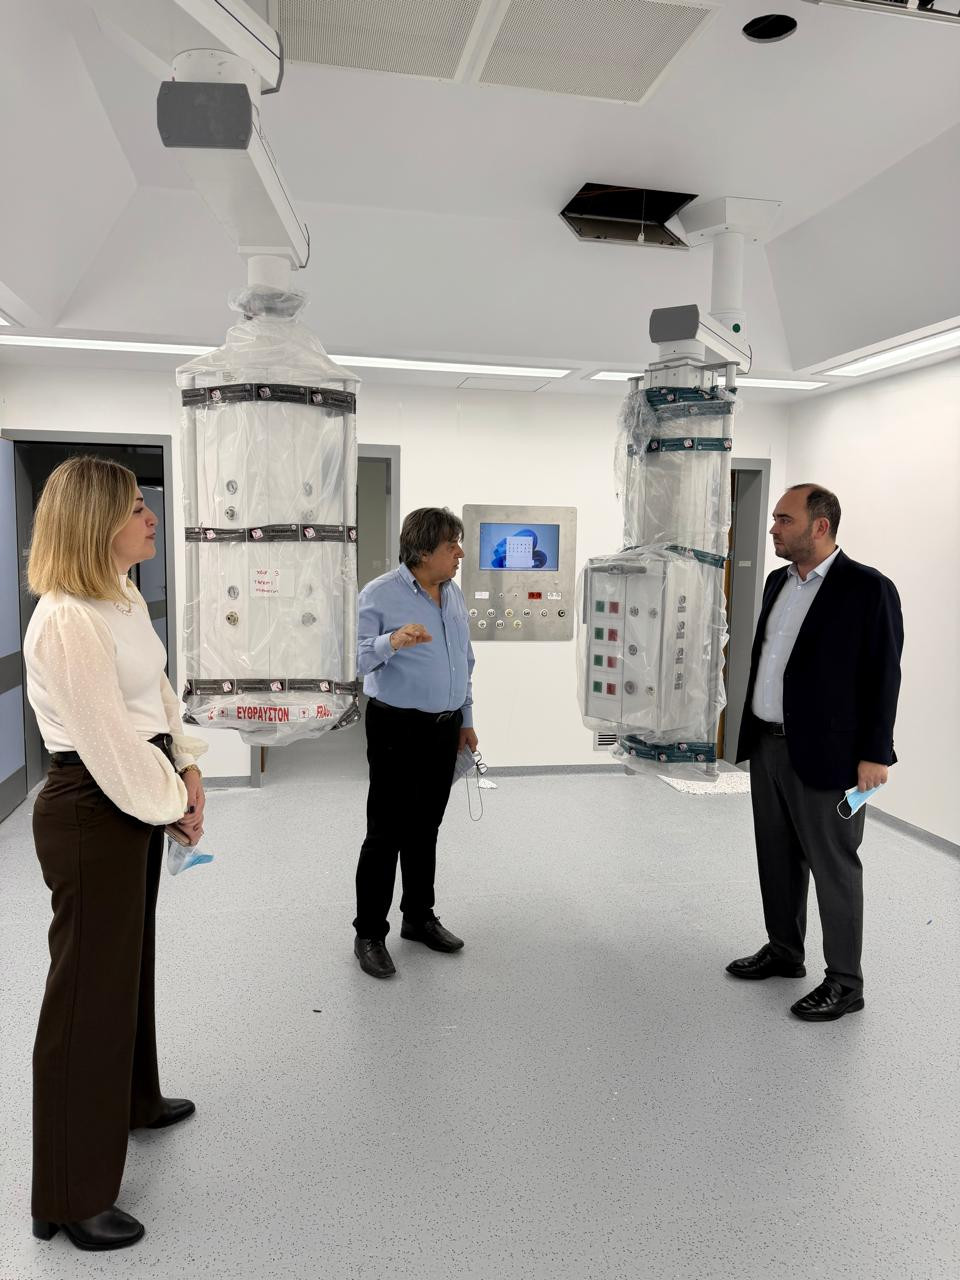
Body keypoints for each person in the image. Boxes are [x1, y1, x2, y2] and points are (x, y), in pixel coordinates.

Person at [23, 456, 208, 1251]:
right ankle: (68, 1197)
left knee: (128, 967)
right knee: (86, 1000)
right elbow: (104, 743)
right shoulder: (68, 619)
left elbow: (157, 699)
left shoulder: (121, 596)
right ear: (95, 523)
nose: (150, 515)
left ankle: (135, 1098)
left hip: (136, 792)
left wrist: (188, 769)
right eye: (134, 507)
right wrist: (174, 806)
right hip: (92, 807)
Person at [730, 484, 903, 1021]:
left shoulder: (868, 588)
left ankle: (846, 983)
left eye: (784, 519)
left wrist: (876, 754)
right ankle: (785, 951)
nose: (774, 528)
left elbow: (884, 675)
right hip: (768, 744)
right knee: (775, 856)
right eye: (775, 518)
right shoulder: (777, 582)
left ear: (820, 526)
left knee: (834, 867)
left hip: (830, 756)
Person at [353, 507, 478, 978]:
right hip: (396, 727)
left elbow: (464, 660)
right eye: (451, 545)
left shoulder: (452, 593)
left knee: (426, 827)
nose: (460, 553)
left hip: (445, 727)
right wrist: (392, 642)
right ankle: (369, 933)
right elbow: (356, 659)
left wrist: (465, 718)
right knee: (386, 832)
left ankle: (418, 917)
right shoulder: (379, 594)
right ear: (423, 551)